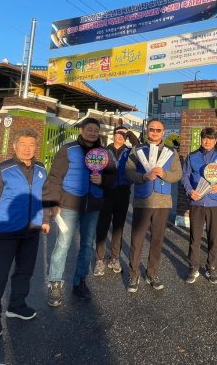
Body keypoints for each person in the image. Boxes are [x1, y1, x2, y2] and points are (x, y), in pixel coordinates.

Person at [0, 128, 50, 339]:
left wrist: (45, 220)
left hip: (31, 231)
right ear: (14, 146)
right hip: (6, 231)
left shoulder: (41, 168)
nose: (27, 149)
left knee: (24, 272)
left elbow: (44, 196)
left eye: (31, 145)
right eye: (23, 144)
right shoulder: (3, 169)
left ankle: (17, 306)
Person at [44, 118, 116, 305]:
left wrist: (103, 181)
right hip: (69, 204)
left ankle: (79, 281)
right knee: (63, 244)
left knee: (87, 245)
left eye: (96, 130)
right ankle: (55, 283)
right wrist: (54, 202)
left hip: (93, 206)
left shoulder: (104, 153)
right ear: (81, 130)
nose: (93, 133)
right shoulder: (68, 149)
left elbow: (113, 177)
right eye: (89, 129)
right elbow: (54, 177)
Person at [125, 118, 182, 292]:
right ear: (147, 131)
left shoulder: (171, 151)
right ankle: (133, 275)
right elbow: (128, 172)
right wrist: (143, 177)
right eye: (152, 129)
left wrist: (164, 173)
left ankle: (152, 273)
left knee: (157, 240)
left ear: (163, 132)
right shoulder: (137, 150)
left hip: (163, 201)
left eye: (158, 130)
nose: (155, 132)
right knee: (137, 239)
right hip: (142, 200)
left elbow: (177, 174)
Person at [181, 127, 217, 284]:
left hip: (214, 202)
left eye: (211, 139)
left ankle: (211, 267)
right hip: (197, 201)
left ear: (215, 141)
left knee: (213, 237)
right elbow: (185, 176)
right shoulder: (192, 157)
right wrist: (190, 191)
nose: (207, 141)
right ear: (201, 139)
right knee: (195, 237)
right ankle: (193, 267)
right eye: (205, 138)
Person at [93, 124, 139, 276]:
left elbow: (140, 148)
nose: (120, 136)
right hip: (105, 192)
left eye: (124, 134)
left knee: (118, 227)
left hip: (123, 192)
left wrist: (130, 133)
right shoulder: (103, 151)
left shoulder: (130, 151)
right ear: (113, 134)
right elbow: (95, 169)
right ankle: (99, 260)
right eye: (118, 133)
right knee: (102, 227)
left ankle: (114, 258)